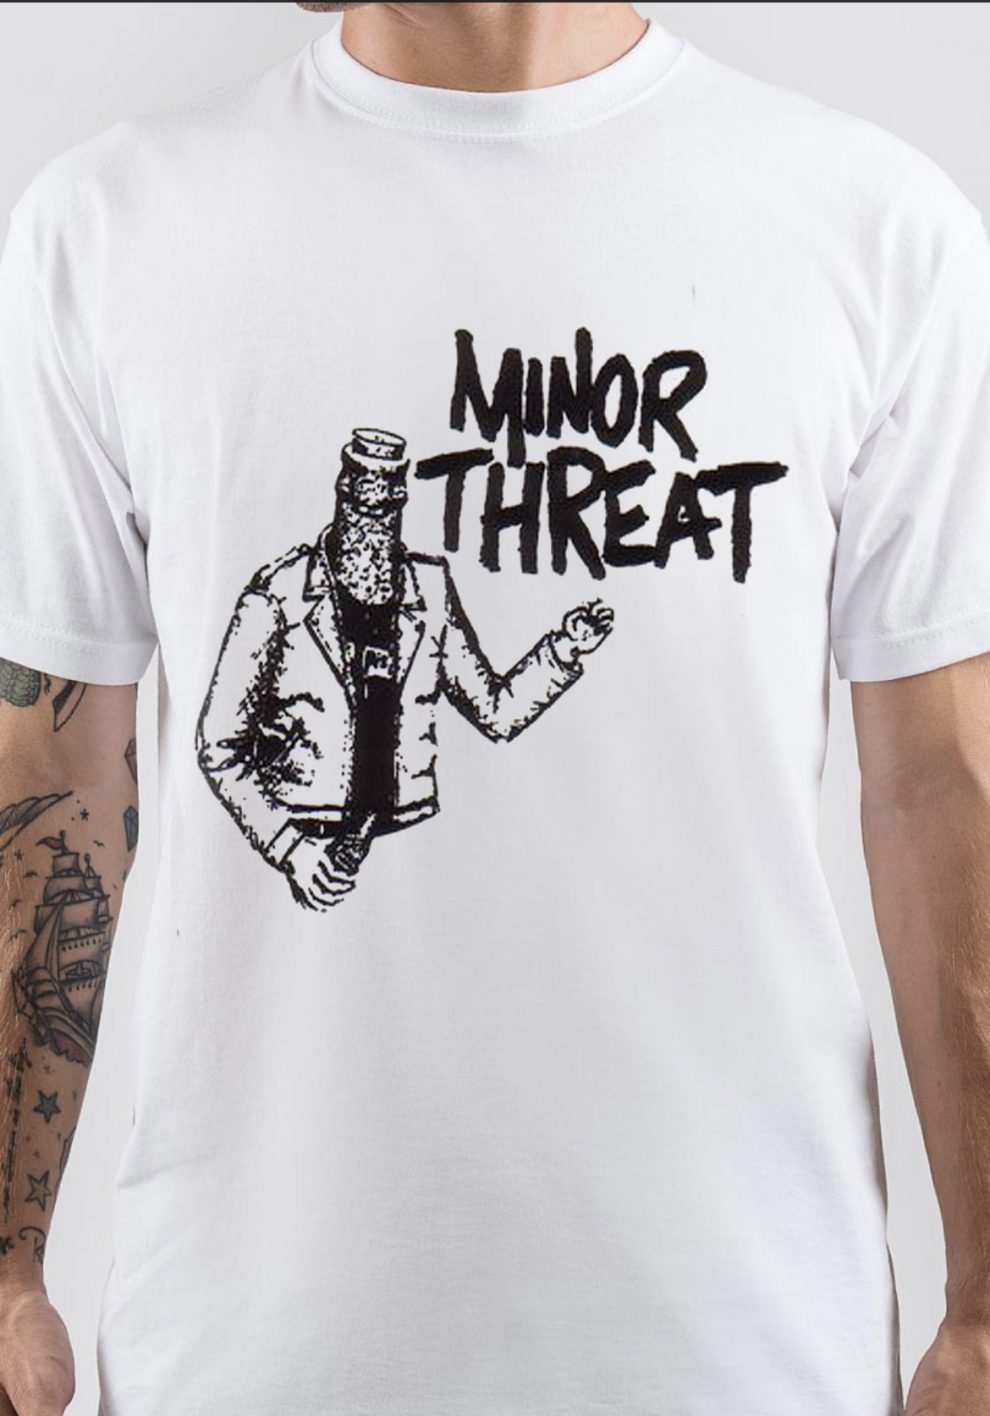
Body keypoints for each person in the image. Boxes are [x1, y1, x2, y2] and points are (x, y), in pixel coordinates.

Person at [0, 3, 987, 1413]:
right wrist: (4, 1270)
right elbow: (52, 774)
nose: (368, 521)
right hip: (251, 1352)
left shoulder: (875, 230)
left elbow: (945, 790)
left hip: (743, 1346)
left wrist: (985, 1306)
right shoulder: (106, 230)